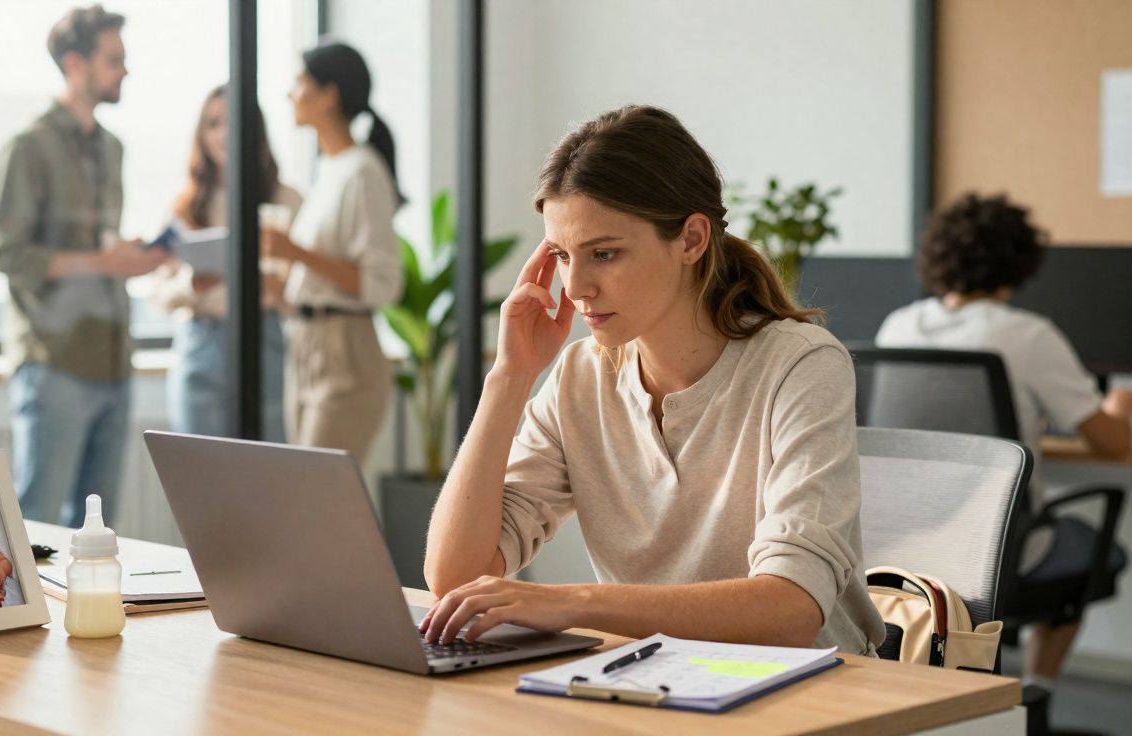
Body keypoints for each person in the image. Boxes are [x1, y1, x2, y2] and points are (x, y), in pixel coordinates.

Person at [421, 105, 886, 655]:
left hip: (805, 691)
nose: (575, 287)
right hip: (650, 685)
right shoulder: (579, 376)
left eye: (605, 254)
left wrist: (574, 603)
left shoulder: (801, 365)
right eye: (563, 256)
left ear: (691, 239)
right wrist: (509, 376)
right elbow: (455, 577)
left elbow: (790, 609)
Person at [875, 193, 1130, 698]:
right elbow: (1110, 440)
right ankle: (1035, 692)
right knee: (1097, 549)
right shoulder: (1027, 335)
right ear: (1020, 261)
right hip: (998, 551)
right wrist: (1120, 403)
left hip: (905, 548)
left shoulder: (898, 325)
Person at [0, 5, 167, 526]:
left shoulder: (112, 150)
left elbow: (98, 252)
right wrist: (103, 261)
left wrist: (128, 256)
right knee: (40, 523)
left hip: (113, 361)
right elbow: (9, 254)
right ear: (75, 63)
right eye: (114, 59)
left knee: (97, 531)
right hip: (53, 364)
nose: (125, 70)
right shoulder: (29, 148)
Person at [260, 41, 402, 463]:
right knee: (306, 496)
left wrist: (297, 254)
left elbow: (382, 283)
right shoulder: (328, 171)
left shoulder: (363, 171)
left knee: (320, 501)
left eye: (300, 82)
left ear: (329, 94)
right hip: (305, 343)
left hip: (345, 352)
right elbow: (319, 275)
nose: (290, 93)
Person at [152, 86, 302, 439]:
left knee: (266, 471)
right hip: (201, 340)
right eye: (213, 123)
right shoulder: (184, 206)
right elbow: (159, 293)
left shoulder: (286, 199)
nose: (223, 134)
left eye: (233, 123)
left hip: (263, 338)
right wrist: (191, 284)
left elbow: (306, 290)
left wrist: (276, 287)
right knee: (197, 472)